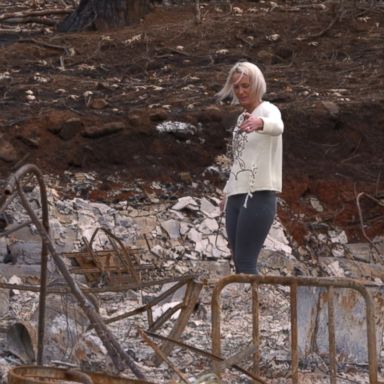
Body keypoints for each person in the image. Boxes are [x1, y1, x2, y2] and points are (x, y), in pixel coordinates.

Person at [216, 61, 284, 275]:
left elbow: (278, 127)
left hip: (259, 193)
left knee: (246, 263)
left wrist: (261, 123)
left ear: (257, 85)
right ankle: (250, 305)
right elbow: (240, 159)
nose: (241, 91)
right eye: (236, 87)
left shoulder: (268, 109)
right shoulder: (240, 119)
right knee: (238, 260)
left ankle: (255, 306)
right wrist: (227, 190)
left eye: (245, 85)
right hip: (237, 194)